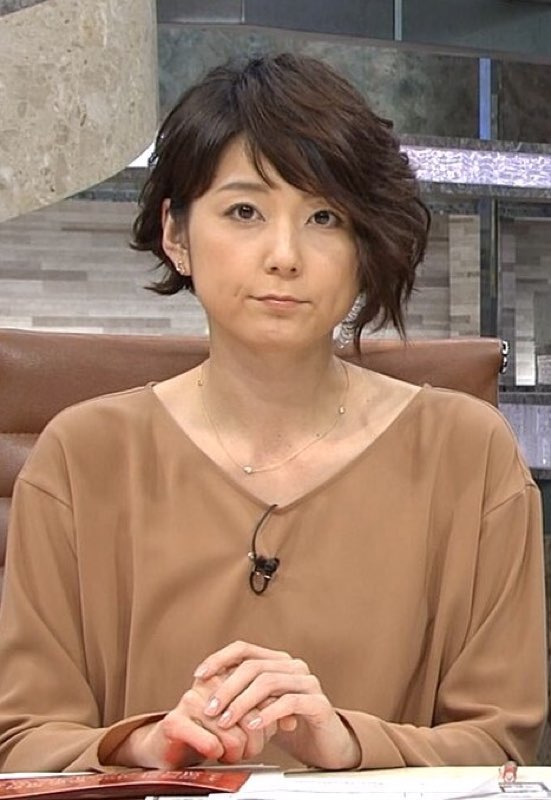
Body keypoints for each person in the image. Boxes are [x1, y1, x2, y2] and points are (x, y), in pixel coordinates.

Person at [0, 52, 546, 774]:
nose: (284, 255)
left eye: (324, 217)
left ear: (362, 245)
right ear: (176, 234)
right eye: (244, 212)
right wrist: (148, 745)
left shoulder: (468, 454)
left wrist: (346, 742)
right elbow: (23, 741)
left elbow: (501, 745)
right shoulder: (81, 455)